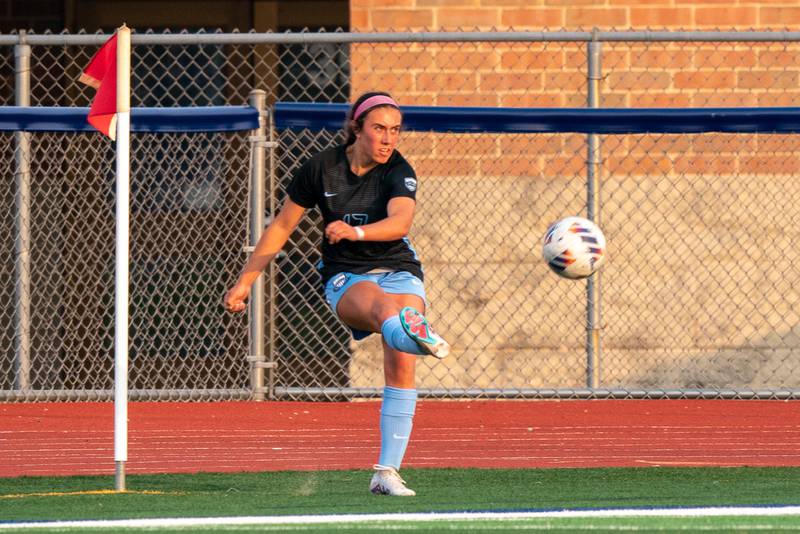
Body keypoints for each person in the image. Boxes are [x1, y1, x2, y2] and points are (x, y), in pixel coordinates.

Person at [224, 91, 450, 497]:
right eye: (379, 129)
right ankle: (415, 331)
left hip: (399, 268)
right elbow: (281, 227)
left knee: (400, 359)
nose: (387, 139)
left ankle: (387, 472)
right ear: (356, 129)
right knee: (386, 311)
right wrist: (246, 279)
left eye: (395, 130)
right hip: (346, 274)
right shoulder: (321, 168)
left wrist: (356, 230)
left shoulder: (399, 170)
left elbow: (400, 223)